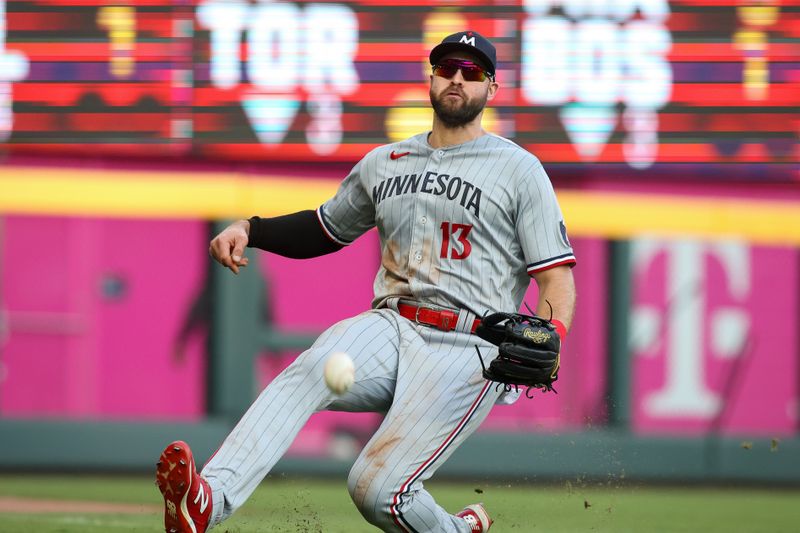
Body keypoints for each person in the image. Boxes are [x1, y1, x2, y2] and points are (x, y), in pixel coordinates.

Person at [156, 30, 576, 533]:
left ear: (492, 88)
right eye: (447, 69)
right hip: (392, 324)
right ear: (432, 79)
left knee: (376, 492)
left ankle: (457, 530)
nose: (457, 79)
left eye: (472, 72)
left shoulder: (519, 170)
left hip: (469, 346)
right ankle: (210, 499)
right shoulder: (385, 162)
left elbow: (555, 278)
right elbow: (324, 227)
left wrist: (556, 335)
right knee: (309, 369)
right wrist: (252, 228)